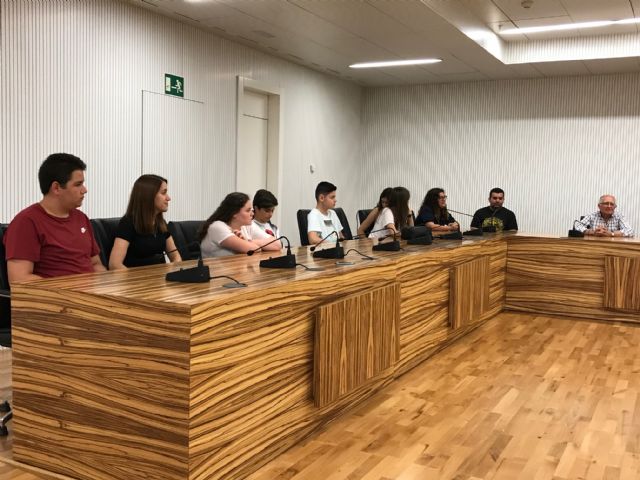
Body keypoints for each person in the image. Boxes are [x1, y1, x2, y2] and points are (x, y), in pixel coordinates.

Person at [3, 153, 106, 283]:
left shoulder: (81, 218)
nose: (84, 190)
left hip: (91, 292)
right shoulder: (26, 222)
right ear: (56, 188)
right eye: (78, 184)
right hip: (59, 295)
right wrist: (72, 289)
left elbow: (96, 264)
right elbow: (20, 279)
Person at [108, 174, 182, 270]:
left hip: (160, 277)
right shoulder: (128, 223)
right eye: (163, 193)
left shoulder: (161, 223)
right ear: (149, 196)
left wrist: (173, 271)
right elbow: (114, 264)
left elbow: (175, 256)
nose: (168, 198)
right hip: (137, 278)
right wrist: (135, 278)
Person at [199, 192, 282, 257]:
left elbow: (277, 244)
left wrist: (249, 241)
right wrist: (252, 244)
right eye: (248, 210)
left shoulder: (247, 226)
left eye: (251, 210)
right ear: (234, 213)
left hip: (239, 270)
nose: (252, 214)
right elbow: (254, 249)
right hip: (218, 273)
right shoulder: (217, 227)